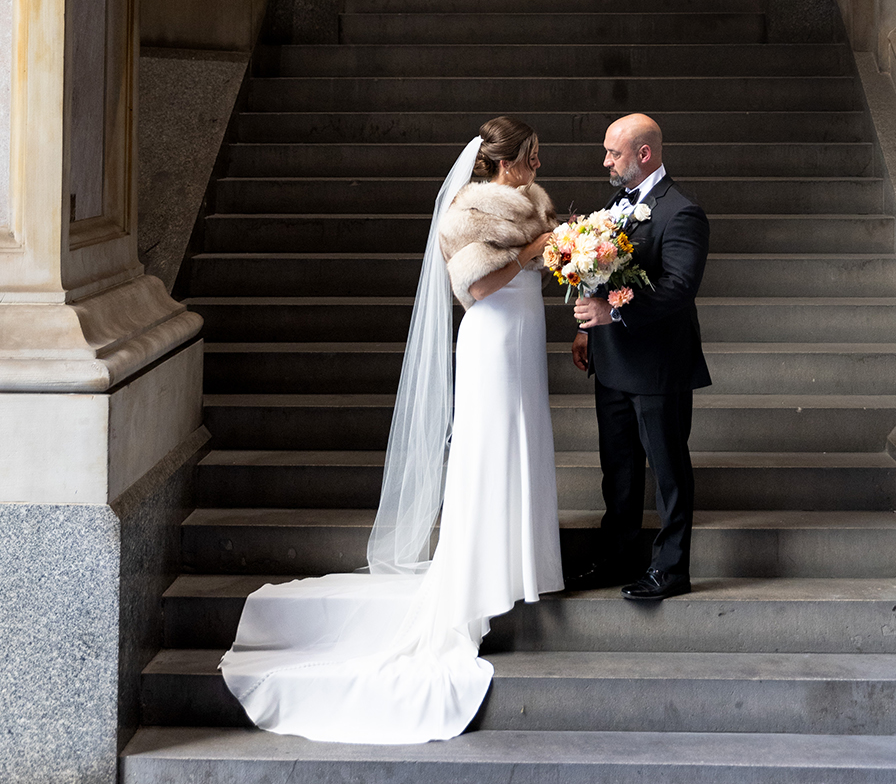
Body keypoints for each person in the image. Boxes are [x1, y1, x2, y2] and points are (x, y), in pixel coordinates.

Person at [219, 116, 563, 743]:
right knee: (489, 450)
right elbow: (478, 285)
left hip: (524, 337)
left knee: (523, 442)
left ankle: (518, 562)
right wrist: (534, 253)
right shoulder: (469, 212)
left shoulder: (530, 206)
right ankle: (481, 573)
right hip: (492, 340)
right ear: (502, 162)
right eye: (531, 157)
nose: (539, 166)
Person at [569, 112, 710, 601]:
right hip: (610, 363)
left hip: (656, 368)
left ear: (643, 154)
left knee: (669, 472)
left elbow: (677, 289)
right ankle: (618, 556)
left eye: (614, 152)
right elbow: (602, 272)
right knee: (619, 469)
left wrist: (611, 313)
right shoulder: (616, 203)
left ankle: (671, 570)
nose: (605, 160)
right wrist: (590, 331)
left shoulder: (681, 212)